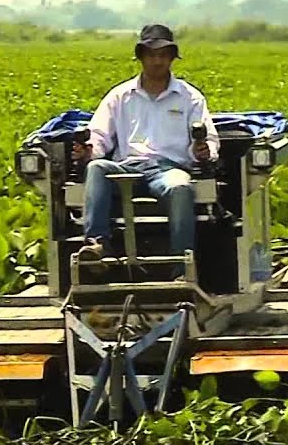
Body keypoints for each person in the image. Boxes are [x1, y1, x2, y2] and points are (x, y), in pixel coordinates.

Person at [72, 23, 219, 264]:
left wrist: (202, 150)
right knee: (96, 167)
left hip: (168, 169)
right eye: (151, 55)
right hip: (127, 166)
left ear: (172, 58)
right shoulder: (120, 96)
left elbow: (208, 139)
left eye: (163, 55)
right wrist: (89, 150)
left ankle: (181, 265)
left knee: (181, 187)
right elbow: (98, 134)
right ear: (141, 57)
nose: (157, 61)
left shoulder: (190, 97)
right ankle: (96, 245)